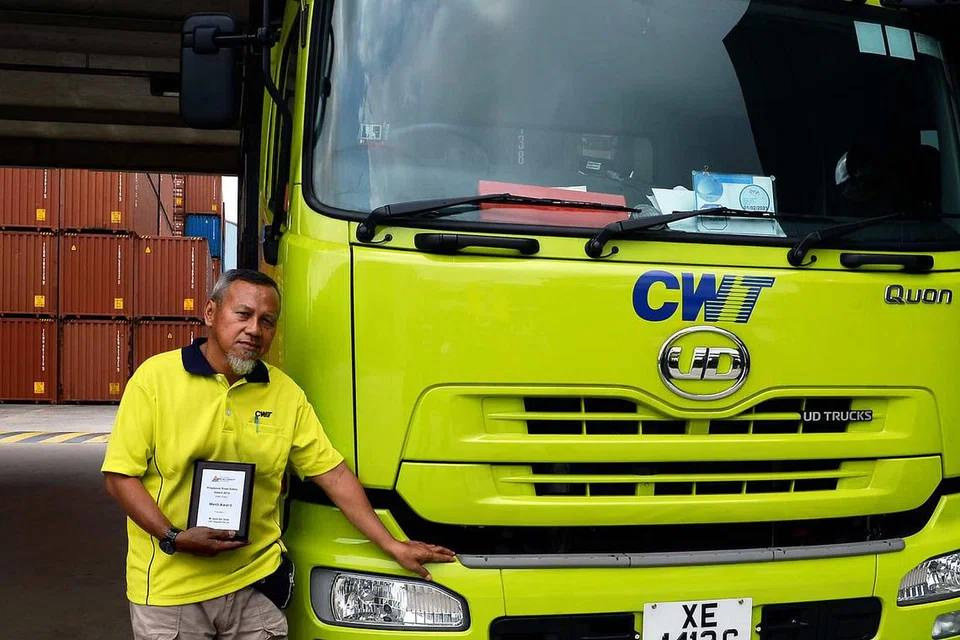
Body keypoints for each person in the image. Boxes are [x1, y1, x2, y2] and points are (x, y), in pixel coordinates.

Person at [102, 269, 455, 640]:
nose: (254, 330)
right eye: (243, 314)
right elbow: (120, 477)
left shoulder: (284, 394)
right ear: (210, 313)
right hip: (170, 595)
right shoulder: (155, 379)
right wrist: (173, 537)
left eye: (267, 321)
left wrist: (392, 544)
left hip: (254, 586)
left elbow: (332, 475)